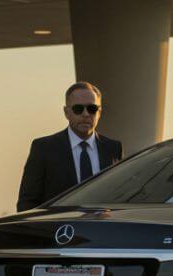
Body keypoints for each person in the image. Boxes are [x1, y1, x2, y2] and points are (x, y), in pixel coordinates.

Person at [16, 82, 123, 211]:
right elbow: (27, 203)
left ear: (99, 112)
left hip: (102, 229)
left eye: (92, 109)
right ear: (67, 112)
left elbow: (121, 196)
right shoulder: (44, 148)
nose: (85, 114)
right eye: (78, 109)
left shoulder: (113, 149)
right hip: (58, 230)